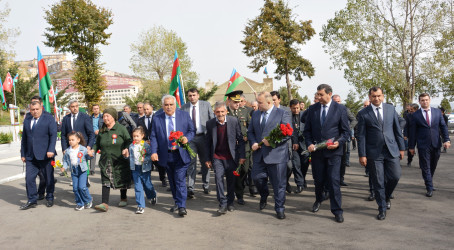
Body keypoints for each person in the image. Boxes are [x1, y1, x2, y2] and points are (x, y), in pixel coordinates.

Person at [303, 84, 350, 223]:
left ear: (329, 94)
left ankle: (337, 210)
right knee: (318, 180)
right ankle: (318, 199)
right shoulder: (312, 109)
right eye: (317, 94)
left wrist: (339, 142)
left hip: (334, 152)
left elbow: (346, 131)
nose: (318, 97)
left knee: (333, 180)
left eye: (321, 94)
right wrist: (309, 143)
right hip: (317, 152)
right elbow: (307, 131)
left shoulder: (340, 109)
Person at [356, 86, 405, 220]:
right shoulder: (363, 113)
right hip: (374, 153)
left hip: (391, 150)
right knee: (378, 181)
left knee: (395, 176)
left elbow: (396, 130)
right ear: (369, 97)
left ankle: (386, 196)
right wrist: (362, 154)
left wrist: (401, 148)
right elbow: (361, 136)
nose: (376, 98)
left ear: (382, 96)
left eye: (379, 96)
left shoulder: (390, 109)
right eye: (373, 96)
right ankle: (382, 207)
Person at [248, 91, 292, 220]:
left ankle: (279, 208)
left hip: (276, 155)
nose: (257, 105)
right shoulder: (255, 114)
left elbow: (287, 132)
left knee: (279, 184)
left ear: (269, 102)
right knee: (256, 178)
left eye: (260, 102)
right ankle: (264, 194)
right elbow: (251, 132)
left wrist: (272, 141)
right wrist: (253, 142)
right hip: (259, 155)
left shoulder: (282, 113)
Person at [151, 95, 195, 217]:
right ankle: (177, 201)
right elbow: (153, 136)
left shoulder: (184, 116)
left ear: (175, 105)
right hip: (166, 155)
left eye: (171, 104)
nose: (169, 107)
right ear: (162, 106)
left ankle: (182, 206)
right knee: (172, 180)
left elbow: (192, 131)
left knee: (180, 179)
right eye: (166, 105)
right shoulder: (157, 118)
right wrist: (154, 152)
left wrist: (187, 138)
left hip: (181, 154)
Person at [205, 101, 246, 214]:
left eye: (222, 111)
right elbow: (207, 142)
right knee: (218, 179)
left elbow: (241, 140)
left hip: (231, 157)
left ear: (226, 111)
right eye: (217, 112)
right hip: (217, 157)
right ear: (214, 112)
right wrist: (207, 159)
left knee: (231, 180)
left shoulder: (233, 121)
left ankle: (230, 202)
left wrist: (242, 155)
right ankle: (222, 203)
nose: (220, 114)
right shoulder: (210, 123)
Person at [409, 93, 451, 197]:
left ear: (430, 100)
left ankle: (429, 181)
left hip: (436, 143)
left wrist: (447, 140)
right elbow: (412, 132)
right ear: (419, 102)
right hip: (423, 145)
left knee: (433, 164)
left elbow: (443, 127)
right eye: (422, 100)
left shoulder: (437, 112)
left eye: (426, 100)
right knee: (425, 166)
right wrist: (411, 147)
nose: (425, 102)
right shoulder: (415, 115)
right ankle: (429, 187)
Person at [91, 107, 132, 212]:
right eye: (104, 116)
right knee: (105, 181)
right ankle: (104, 203)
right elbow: (97, 144)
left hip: (119, 159)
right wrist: (93, 150)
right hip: (105, 159)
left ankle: (123, 198)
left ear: (113, 117)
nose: (105, 118)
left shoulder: (121, 128)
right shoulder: (102, 130)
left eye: (107, 116)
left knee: (121, 178)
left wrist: (126, 148)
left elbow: (128, 140)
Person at [20, 101, 57, 209]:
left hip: (46, 155)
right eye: (32, 110)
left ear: (41, 108)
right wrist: (23, 154)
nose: (35, 111)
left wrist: (51, 150)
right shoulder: (27, 120)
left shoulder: (49, 119)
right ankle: (32, 200)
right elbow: (24, 139)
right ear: (30, 110)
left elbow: (53, 135)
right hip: (31, 156)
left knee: (48, 178)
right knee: (29, 178)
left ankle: (50, 197)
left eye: (37, 109)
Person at [181, 88, 214, 198]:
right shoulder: (184, 107)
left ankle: (206, 185)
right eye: (190, 95)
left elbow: (212, 120)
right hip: (191, 139)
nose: (192, 97)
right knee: (191, 162)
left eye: (194, 95)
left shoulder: (206, 105)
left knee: (206, 162)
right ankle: (191, 188)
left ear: (198, 95)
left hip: (204, 137)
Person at [226, 90, 254, 203]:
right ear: (229, 102)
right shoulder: (225, 112)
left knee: (245, 169)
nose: (237, 104)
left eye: (238, 101)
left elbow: (250, 127)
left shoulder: (244, 111)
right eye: (235, 102)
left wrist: (247, 135)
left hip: (245, 146)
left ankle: (238, 188)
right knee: (233, 171)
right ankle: (238, 194)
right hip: (231, 148)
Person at [128, 127, 157, 214]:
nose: (135, 138)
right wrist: (126, 155)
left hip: (145, 169)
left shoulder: (146, 145)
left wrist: (145, 159)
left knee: (147, 185)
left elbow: (150, 156)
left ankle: (152, 195)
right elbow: (130, 157)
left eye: (137, 136)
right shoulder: (131, 146)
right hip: (135, 169)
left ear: (142, 136)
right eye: (134, 136)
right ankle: (140, 206)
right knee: (138, 187)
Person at [61, 131, 93, 211]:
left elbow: (89, 158)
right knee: (75, 188)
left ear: (78, 140)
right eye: (69, 140)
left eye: (73, 140)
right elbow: (65, 161)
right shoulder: (68, 151)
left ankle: (88, 200)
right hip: (73, 170)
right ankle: (79, 203)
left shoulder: (83, 149)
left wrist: (91, 155)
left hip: (82, 170)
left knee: (82, 187)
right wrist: (64, 167)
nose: (70, 141)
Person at [137, 103, 167, 187]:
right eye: (145, 109)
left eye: (148, 109)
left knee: (159, 163)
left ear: (151, 108)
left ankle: (163, 179)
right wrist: (144, 141)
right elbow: (139, 132)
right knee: (146, 163)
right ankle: (147, 181)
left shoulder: (157, 118)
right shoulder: (140, 120)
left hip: (156, 144)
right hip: (145, 145)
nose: (146, 111)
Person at [332, 94, 357, 186]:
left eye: (338, 101)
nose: (337, 103)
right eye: (335, 101)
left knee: (342, 159)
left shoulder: (345, 109)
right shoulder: (328, 110)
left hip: (342, 138)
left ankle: (341, 179)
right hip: (330, 138)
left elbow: (354, 120)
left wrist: (348, 128)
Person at [288, 99, 306, 193]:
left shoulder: (305, 115)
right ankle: (299, 184)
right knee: (296, 164)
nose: (296, 110)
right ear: (290, 107)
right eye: (294, 108)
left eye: (297, 108)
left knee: (304, 163)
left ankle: (303, 179)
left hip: (304, 144)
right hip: (293, 145)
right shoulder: (287, 116)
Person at [90, 104, 103, 175]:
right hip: (93, 137)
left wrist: (100, 130)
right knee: (92, 153)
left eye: (97, 108)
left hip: (101, 137)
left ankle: (103, 168)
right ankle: (92, 169)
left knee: (103, 153)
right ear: (92, 110)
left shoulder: (102, 117)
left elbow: (105, 126)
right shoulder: (89, 118)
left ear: (99, 109)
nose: (96, 110)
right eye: (94, 109)